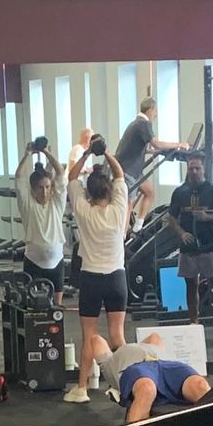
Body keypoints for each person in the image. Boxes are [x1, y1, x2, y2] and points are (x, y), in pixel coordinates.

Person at [65, 133, 132, 404]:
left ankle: (81, 388)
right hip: (116, 277)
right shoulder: (118, 209)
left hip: (91, 278)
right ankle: (129, 382)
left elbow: (71, 178)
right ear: (109, 191)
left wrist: (86, 154)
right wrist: (104, 153)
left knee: (89, 336)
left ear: (89, 192)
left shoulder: (83, 209)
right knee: (118, 335)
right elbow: (119, 174)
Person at [168, 155, 213, 339]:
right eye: (191, 169)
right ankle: (193, 323)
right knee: (191, 285)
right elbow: (171, 218)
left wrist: (207, 218)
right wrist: (182, 233)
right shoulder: (180, 193)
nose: (194, 172)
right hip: (189, 246)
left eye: (197, 168)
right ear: (187, 170)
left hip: (210, 245)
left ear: (203, 169)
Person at [12, 134, 66, 298]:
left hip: (56, 261)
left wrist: (45, 152)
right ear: (33, 189)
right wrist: (27, 154)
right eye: (40, 188)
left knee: (57, 309)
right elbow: (19, 176)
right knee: (33, 308)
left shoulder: (57, 203)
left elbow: (60, 173)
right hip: (33, 261)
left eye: (48, 187)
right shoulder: (27, 204)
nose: (45, 191)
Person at [115, 338, 212, 425]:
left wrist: (143, 346)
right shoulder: (117, 354)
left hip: (168, 364)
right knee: (146, 389)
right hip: (135, 365)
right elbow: (101, 344)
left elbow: (154, 336)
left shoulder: (154, 343)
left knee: (200, 386)